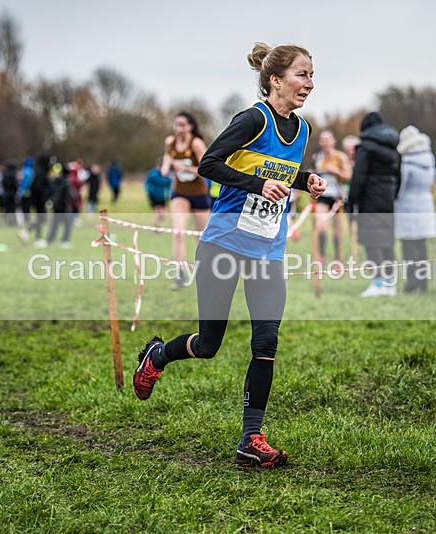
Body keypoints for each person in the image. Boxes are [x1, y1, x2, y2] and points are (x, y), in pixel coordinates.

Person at [133, 42, 325, 469]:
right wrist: (258, 187)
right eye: (301, 74)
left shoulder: (305, 130)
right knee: (209, 344)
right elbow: (210, 165)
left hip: (268, 251)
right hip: (223, 245)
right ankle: (158, 356)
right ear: (275, 80)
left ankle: (250, 439)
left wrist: (306, 178)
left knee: (266, 341)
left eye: (312, 75)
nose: (309, 83)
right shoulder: (252, 119)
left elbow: (279, 168)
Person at [346, 112, 401, 297]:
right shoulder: (394, 150)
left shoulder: (366, 147)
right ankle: (390, 284)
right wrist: (393, 197)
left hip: (369, 201)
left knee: (371, 242)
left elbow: (358, 177)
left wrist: (351, 202)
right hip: (387, 201)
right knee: (386, 242)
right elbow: (398, 177)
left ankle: (378, 284)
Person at [161, 111, 211, 289]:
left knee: (202, 237)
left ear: (190, 126)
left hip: (198, 193)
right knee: (178, 232)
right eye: (177, 125)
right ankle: (181, 273)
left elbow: (208, 168)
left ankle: (206, 272)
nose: (179, 129)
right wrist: (166, 167)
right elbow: (167, 161)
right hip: (180, 192)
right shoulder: (170, 142)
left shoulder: (196, 143)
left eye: (183, 125)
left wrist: (187, 169)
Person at [395, 126, 436, 294]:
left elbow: (400, 188)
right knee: (421, 246)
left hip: (408, 206)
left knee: (408, 246)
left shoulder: (406, 162)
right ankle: (423, 282)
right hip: (425, 203)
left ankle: (412, 282)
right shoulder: (429, 158)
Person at [312, 130, 352, 262]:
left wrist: (336, 171)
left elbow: (348, 176)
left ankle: (337, 258)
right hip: (322, 196)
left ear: (333, 141)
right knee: (321, 226)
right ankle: (321, 255)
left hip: (337, 197)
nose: (325, 142)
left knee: (336, 229)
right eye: (323, 140)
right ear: (320, 142)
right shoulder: (317, 157)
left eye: (328, 139)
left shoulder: (340, 156)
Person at [144, 159, 172, 226]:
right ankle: (155, 225)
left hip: (163, 196)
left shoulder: (167, 174)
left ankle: (156, 224)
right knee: (157, 211)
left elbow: (169, 184)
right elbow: (159, 181)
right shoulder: (154, 173)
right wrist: (168, 179)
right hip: (154, 195)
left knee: (163, 214)